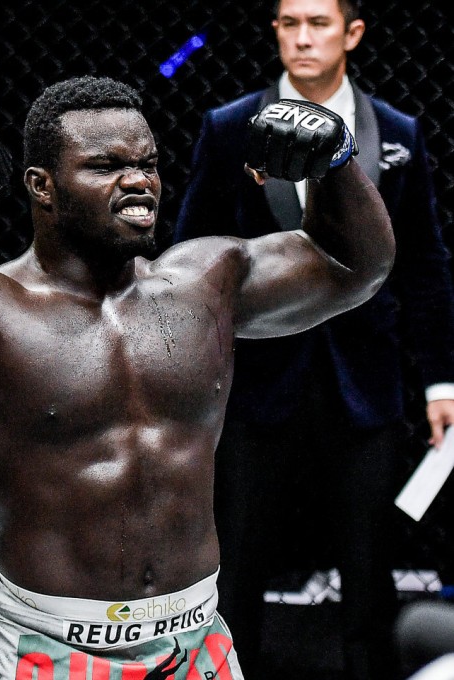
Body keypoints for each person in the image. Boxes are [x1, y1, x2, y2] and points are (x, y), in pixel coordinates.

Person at [0, 76, 394, 678]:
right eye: (105, 167)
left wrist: (336, 163)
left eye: (147, 163)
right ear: (42, 185)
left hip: (196, 637)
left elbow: (354, 266)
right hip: (52, 646)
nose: (138, 182)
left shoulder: (206, 282)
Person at [172, 1, 454, 677]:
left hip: (366, 385)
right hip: (255, 385)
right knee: (235, 566)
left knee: (368, 572)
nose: (302, 37)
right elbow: (187, 255)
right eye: (288, 23)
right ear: (273, 29)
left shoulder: (396, 131)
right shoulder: (231, 126)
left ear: (352, 33)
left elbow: (424, 264)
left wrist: (442, 382)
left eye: (318, 23)